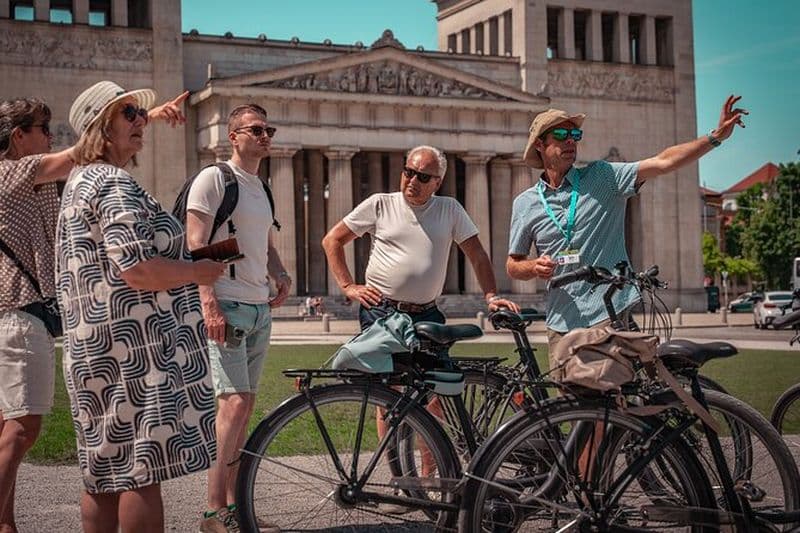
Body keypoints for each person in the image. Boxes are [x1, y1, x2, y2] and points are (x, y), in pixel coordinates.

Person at [0, 90, 185, 533]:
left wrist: (139, 119)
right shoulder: (13, 172)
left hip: (39, 318)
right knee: (24, 428)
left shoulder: (52, 182)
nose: (51, 137)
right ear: (18, 136)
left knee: (23, 434)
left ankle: (6, 522)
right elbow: (82, 151)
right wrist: (145, 117)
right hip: (20, 311)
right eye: (43, 130)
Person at [55, 80, 226, 533]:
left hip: (95, 348)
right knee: (141, 473)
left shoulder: (79, 182)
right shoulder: (113, 182)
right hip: (135, 354)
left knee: (103, 473)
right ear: (101, 126)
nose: (140, 122)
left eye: (140, 114)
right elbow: (137, 269)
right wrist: (198, 272)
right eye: (128, 113)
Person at [322, 144, 518, 509]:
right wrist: (348, 286)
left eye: (423, 177)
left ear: (438, 182)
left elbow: (477, 253)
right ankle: (403, 484)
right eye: (408, 172)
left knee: (433, 398)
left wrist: (491, 295)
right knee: (388, 398)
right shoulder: (380, 204)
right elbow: (332, 239)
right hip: (382, 312)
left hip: (427, 314)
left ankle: (431, 480)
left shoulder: (449, 209)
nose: (412, 180)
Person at [507, 95, 747, 365]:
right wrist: (533, 267)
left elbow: (663, 162)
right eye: (561, 135)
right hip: (561, 321)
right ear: (540, 144)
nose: (571, 141)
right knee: (567, 394)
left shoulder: (602, 177)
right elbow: (513, 265)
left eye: (575, 135)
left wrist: (715, 137)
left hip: (609, 312)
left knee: (616, 389)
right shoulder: (525, 203)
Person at [184, 103, 290, 533]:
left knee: (243, 410)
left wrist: (280, 274)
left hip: (258, 307)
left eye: (269, 130)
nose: (265, 137)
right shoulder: (214, 179)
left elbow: (265, 244)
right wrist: (208, 302)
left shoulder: (261, 187)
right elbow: (196, 244)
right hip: (226, 303)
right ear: (234, 136)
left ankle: (234, 505)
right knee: (233, 405)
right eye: (256, 130)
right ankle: (214, 512)